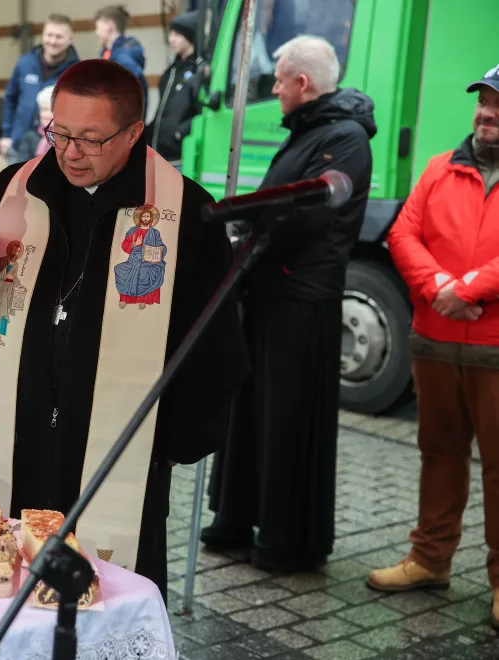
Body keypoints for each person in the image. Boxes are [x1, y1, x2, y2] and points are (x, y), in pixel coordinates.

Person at [0, 59, 247, 600]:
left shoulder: (185, 212)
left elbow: (214, 347)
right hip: (20, 430)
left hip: (119, 448)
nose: (70, 153)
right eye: (61, 133)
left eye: (91, 140)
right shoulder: (17, 188)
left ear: (134, 133)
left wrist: (170, 444)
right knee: (7, 581)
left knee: (108, 601)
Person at [202, 36, 376, 572]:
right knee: (250, 410)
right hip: (267, 291)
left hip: (302, 299)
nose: (273, 90)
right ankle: (238, 516)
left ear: (302, 84)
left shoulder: (344, 138)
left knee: (286, 418)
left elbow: (306, 214)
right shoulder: (309, 131)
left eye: (278, 80)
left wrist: (246, 246)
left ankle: (285, 537)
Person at [368, 66, 499, 623]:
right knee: (439, 453)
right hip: (437, 341)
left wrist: (467, 288)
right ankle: (430, 558)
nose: (487, 113)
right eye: (484, 102)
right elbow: (403, 233)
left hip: (492, 346)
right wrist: (439, 288)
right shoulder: (438, 168)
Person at [0, 14, 78, 164]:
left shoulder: (76, 72)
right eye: (49, 35)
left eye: (59, 37)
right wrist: (7, 134)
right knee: (15, 186)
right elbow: (10, 99)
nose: (53, 41)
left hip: (55, 152)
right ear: (42, 35)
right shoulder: (25, 63)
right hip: (18, 146)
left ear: (70, 38)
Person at [150, 11, 201, 163]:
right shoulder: (171, 71)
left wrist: (180, 132)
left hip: (179, 157)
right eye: (170, 34)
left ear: (189, 36)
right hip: (158, 152)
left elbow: (202, 113)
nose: (171, 39)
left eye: (177, 34)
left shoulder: (198, 70)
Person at [95, 5, 148, 114]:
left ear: (109, 25)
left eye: (97, 27)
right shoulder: (109, 54)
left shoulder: (124, 57)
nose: (96, 33)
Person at [32, 86, 55, 159]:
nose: (48, 115)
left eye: (52, 110)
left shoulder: (67, 138)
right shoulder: (30, 137)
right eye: (44, 109)